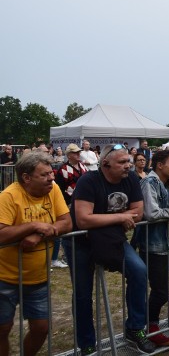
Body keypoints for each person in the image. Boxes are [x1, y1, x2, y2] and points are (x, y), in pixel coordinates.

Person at [60, 144, 155, 354]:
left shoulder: (130, 179)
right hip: (80, 242)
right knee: (83, 293)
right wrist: (120, 217)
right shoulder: (88, 181)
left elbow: (138, 213)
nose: (128, 166)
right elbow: (84, 219)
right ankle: (86, 343)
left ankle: (135, 328)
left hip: (112, 238)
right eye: (122, 162)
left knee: (139, 271)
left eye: (128, 162)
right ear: (105, 164)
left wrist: (103, 220)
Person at [0, 152, 71, 356]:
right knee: (2, 329)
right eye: (45, 175)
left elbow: (66, 222)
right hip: (5, 278)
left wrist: (39, 234)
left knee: (41, 328)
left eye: (51, 173)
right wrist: (33, 225)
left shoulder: (53, 189)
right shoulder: (8, 196)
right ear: (26, 178)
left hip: (38, 277)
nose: (52, 178)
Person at [136, 149, 169, 347]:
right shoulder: (149, 182)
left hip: (167, 244)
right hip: (153, 246)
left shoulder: (168, 184)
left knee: (161, 289)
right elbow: (151, 213)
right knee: (161, 292)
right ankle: (148, 328)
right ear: (160, 165)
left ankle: (149, 325)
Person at [52, 143, 88, 269]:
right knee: (70, 229)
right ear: (69, 155)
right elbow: (59, 189)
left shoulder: (83, 166)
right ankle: (66, 255)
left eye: (79, 152)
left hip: (83, 202)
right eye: (75, 152)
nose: (78, 154)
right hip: (69, 203)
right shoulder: (63, 169)